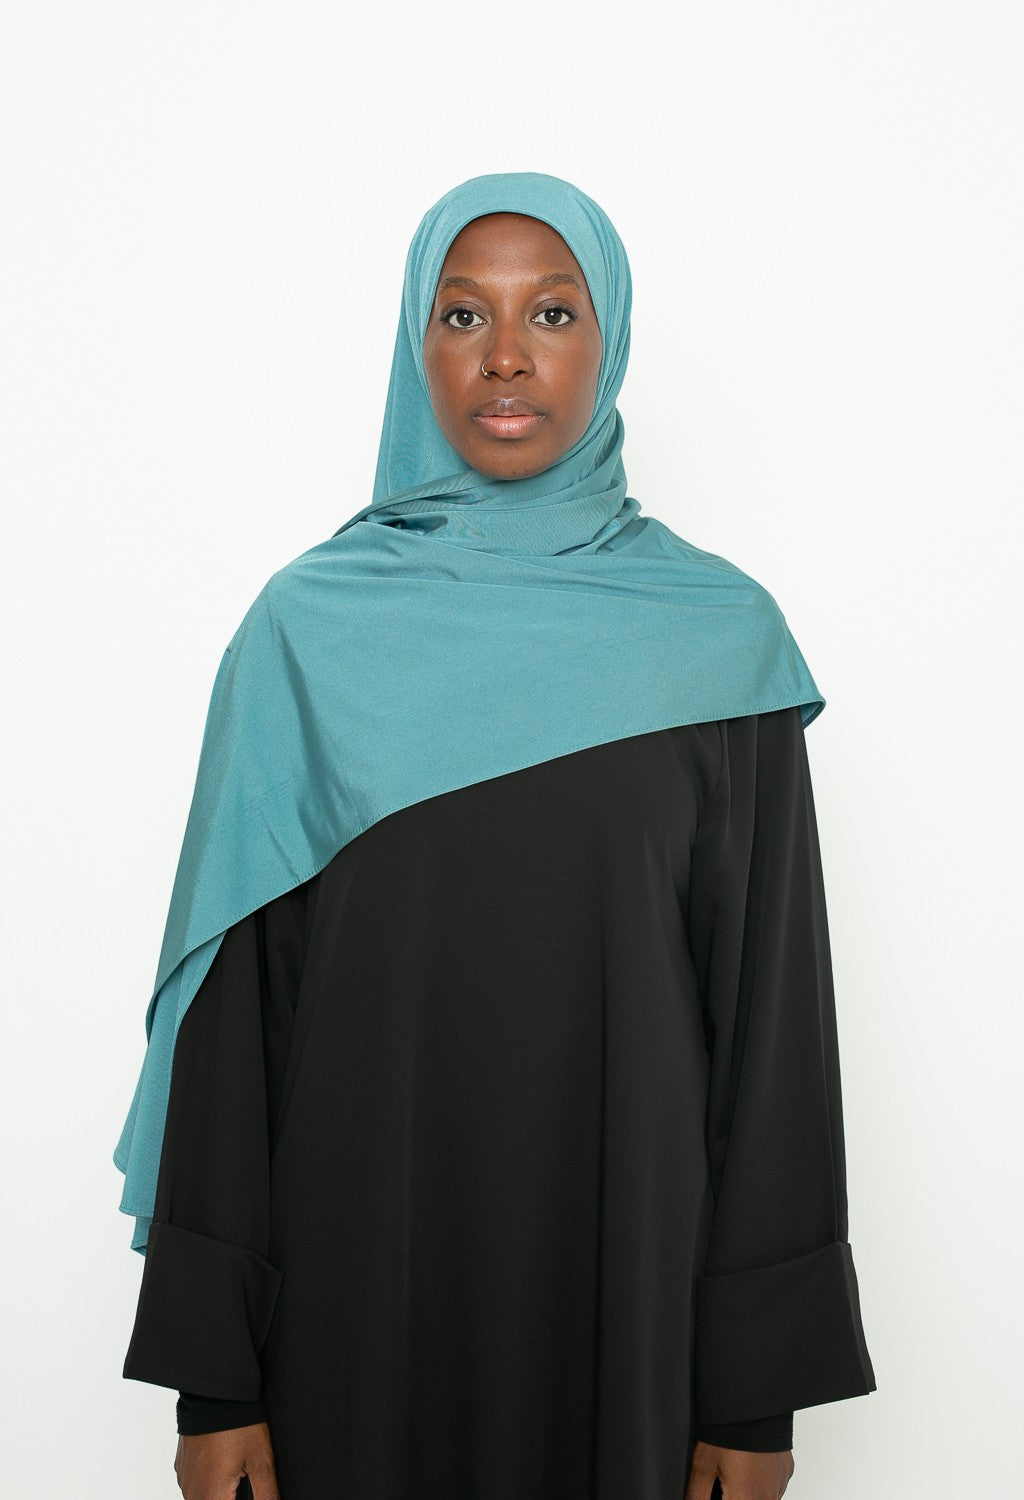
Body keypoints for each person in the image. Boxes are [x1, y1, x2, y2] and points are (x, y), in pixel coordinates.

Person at [115, 171, 876, 1500]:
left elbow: (772, 1037)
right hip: (352, 1297)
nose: (507, 356)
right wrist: (216, 1381)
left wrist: (755, 1402)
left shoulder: (718, 644)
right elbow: (237, 1030)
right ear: (416, 345)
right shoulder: (307, 636)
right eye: (463, 315)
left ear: (610, 341)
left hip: (630, 1298)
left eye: (554, 313)